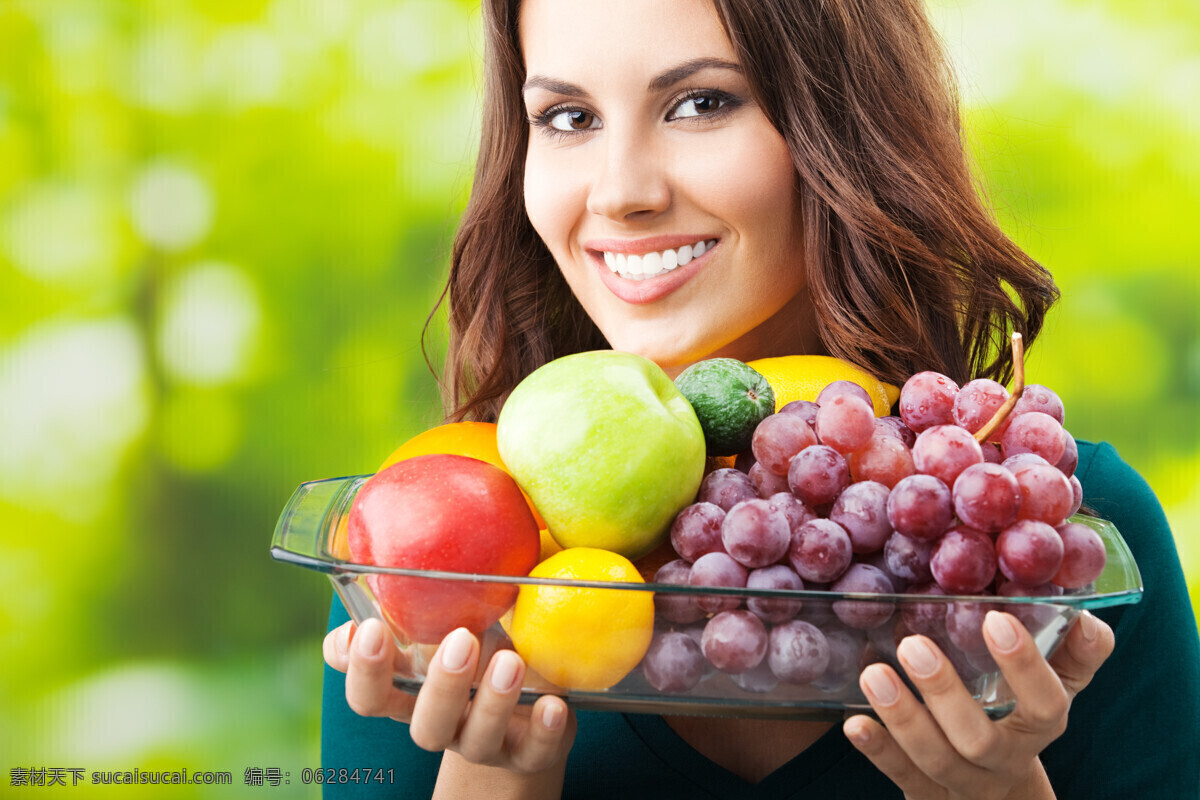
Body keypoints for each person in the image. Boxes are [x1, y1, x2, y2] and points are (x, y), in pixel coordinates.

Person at [321, 0, 1200, 796]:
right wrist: (491, 772)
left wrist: (1000, 791)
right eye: (568, 117)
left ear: (844, 125)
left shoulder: (1042, 542)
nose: (622, 191)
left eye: (701, 102)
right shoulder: (433, 558)